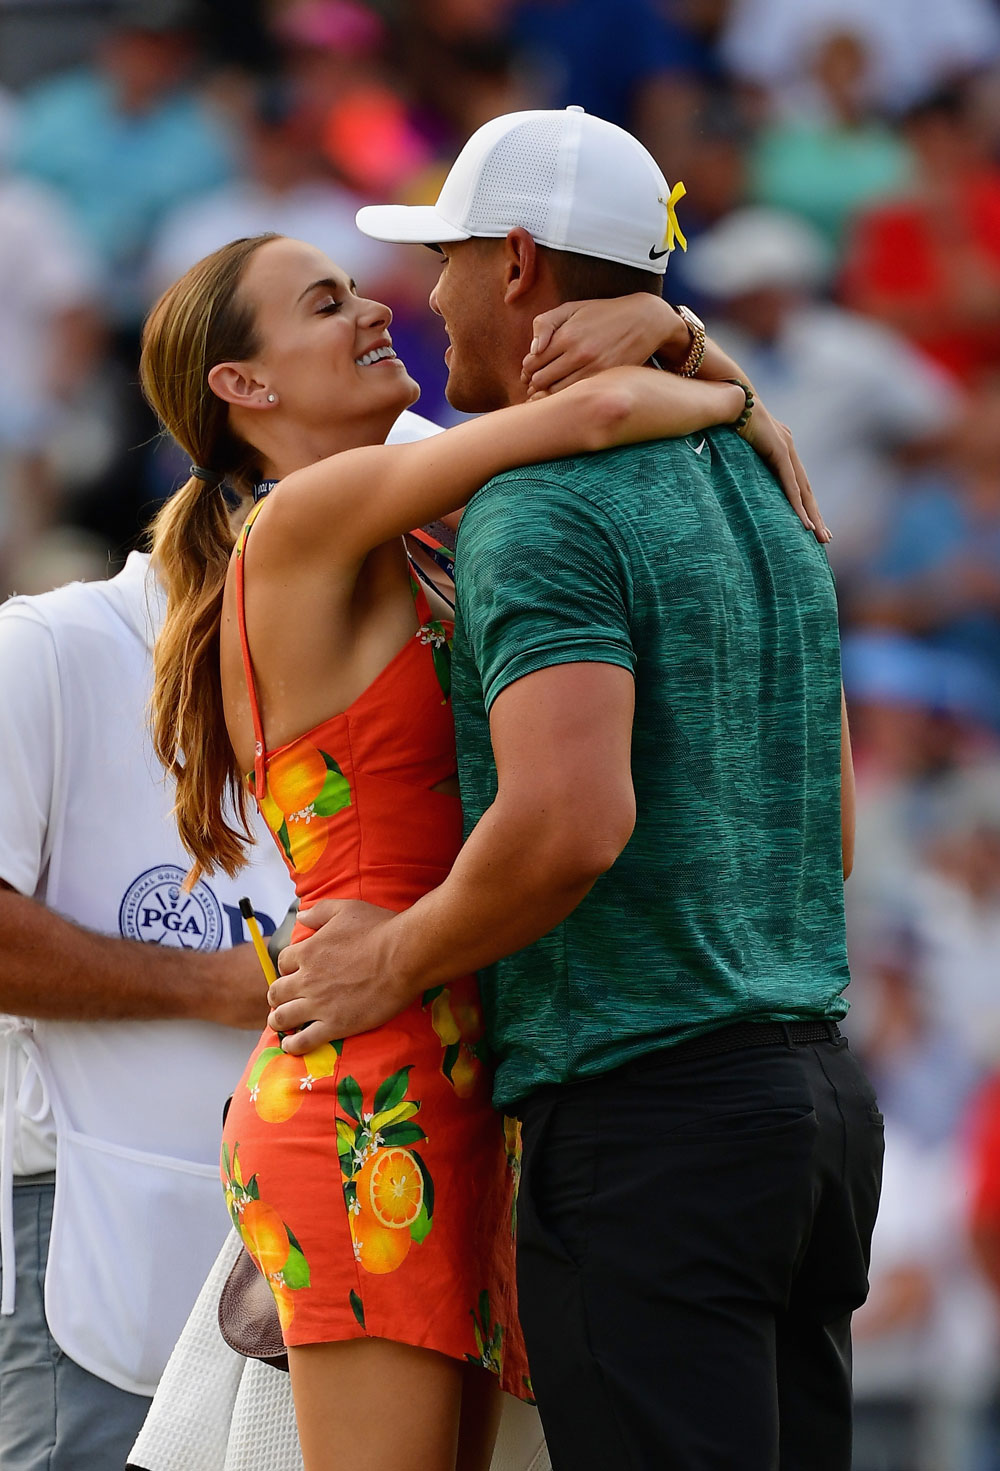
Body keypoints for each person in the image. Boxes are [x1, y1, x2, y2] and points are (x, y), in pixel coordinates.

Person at [138, 203, 816, 1468]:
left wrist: (681, 343)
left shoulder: (424, 525)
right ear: (244, 386)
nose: (374, 306)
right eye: (326, 303)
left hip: (472, 1072)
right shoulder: (299, 522)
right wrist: (733, 397)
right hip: (370, 1080)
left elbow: (595, 410)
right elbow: (596, 413)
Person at [264, 105, 885, 1469]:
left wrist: (394, 958)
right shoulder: (764, 479)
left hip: (648, 1117)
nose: (429, 297)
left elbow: (569, 820)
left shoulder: (539, 505)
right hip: (818, 1115)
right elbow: (832, 833)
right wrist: (704, 361)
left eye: (448, 259)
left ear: (518, 263)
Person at [0, 549, 294, 1471]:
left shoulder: (363, 666)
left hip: (297, 1268)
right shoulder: (48, 649)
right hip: (93, 1251)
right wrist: (221, 985)